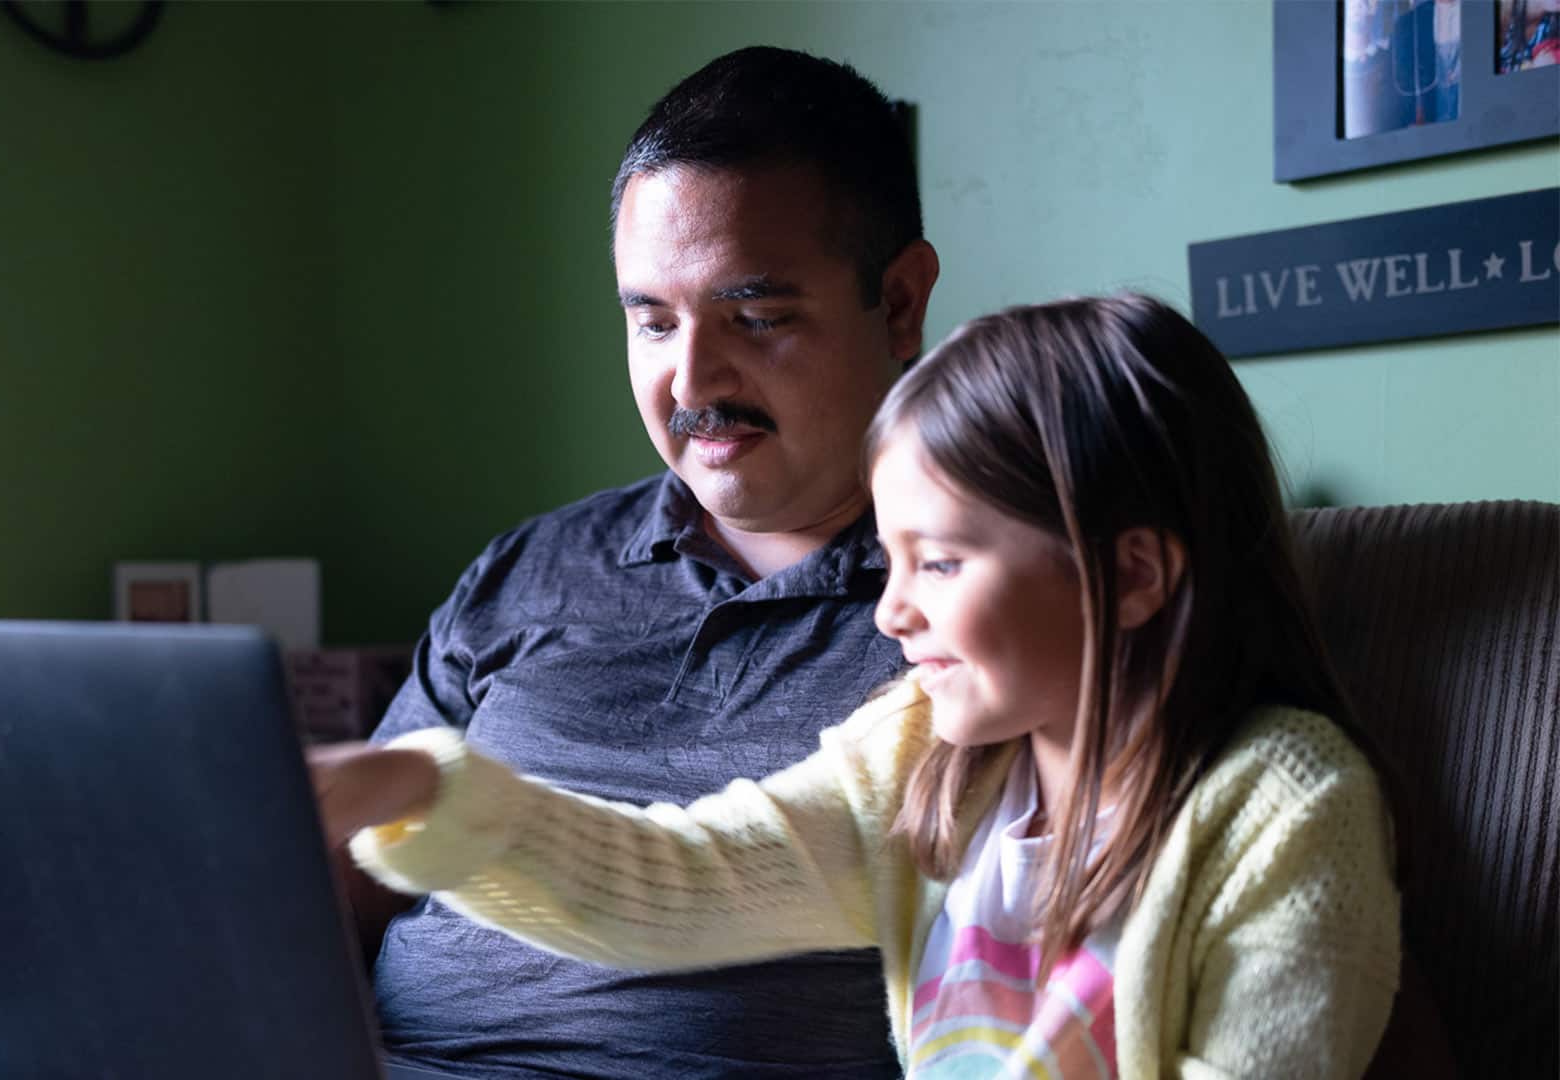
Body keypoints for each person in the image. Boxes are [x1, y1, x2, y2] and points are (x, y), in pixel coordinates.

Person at [317, 294, 1404, 1079]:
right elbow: (680, 882)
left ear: (1129, 576)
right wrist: (415, 790)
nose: (892, 610)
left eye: (939, 562)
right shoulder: (928, 755)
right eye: (892, 560)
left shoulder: (1286, 807)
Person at [343, 46, 939, 1079]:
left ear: (896, 303)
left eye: (756, 316)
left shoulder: (983, 603)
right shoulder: (534, 564)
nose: (692, 378)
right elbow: (349, 877)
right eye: (653, 321)